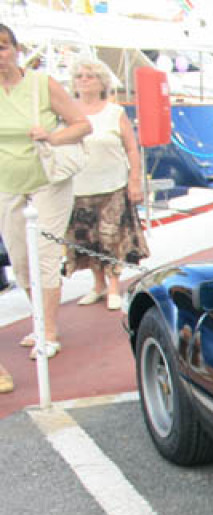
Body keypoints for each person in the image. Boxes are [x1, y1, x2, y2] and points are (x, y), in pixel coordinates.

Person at [0, 22, 91, 368]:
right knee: (20, 259)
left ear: (16, 49)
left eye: (3, 47)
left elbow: (83, 125)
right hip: (6, 182)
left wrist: (51, 137)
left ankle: (48, 330)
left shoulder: (41, 85)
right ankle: (38, 317)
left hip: (48, 178)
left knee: (45, 252)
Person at [66, 58, 148, 311]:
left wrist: (135, 180)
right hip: (78, 186)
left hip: (112, 184)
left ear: (102, 81)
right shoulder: (67, 112)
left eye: (89, 75)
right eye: (79, 75)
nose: (84, 79)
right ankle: (97, 283)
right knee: (87, 238)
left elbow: (132, 149)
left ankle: (113, 285)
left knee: (111, 237)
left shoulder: (115, 113)